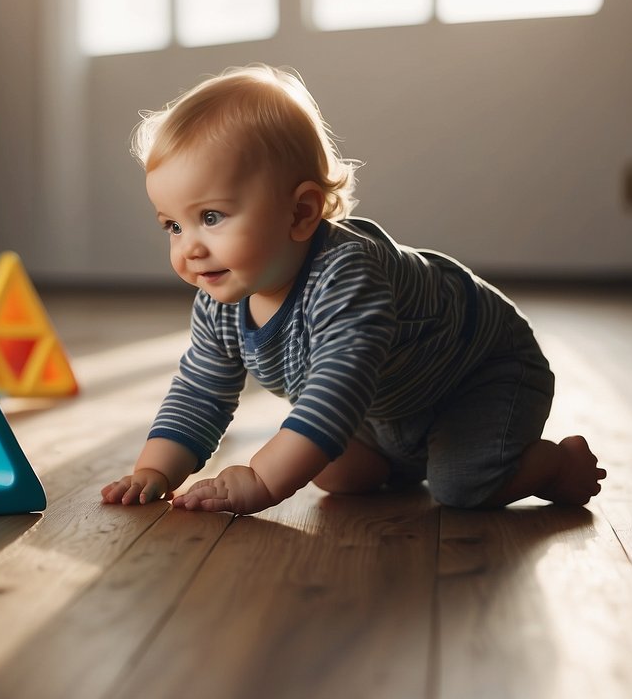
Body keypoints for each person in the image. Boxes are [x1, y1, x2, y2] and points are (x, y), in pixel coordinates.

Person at [100, 64, 606, 515]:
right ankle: (413, 457)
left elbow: (335, 392)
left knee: (463, 487)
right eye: (173, 225)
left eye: (210, 217)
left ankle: (557, 465)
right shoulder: (220, 303)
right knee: (337, 473)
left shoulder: (347, 276)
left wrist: (259, 478)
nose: (189, 247)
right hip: (389, 400)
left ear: (300, 212)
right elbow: (200, 391)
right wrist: (156, 471)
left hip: (479, 376)